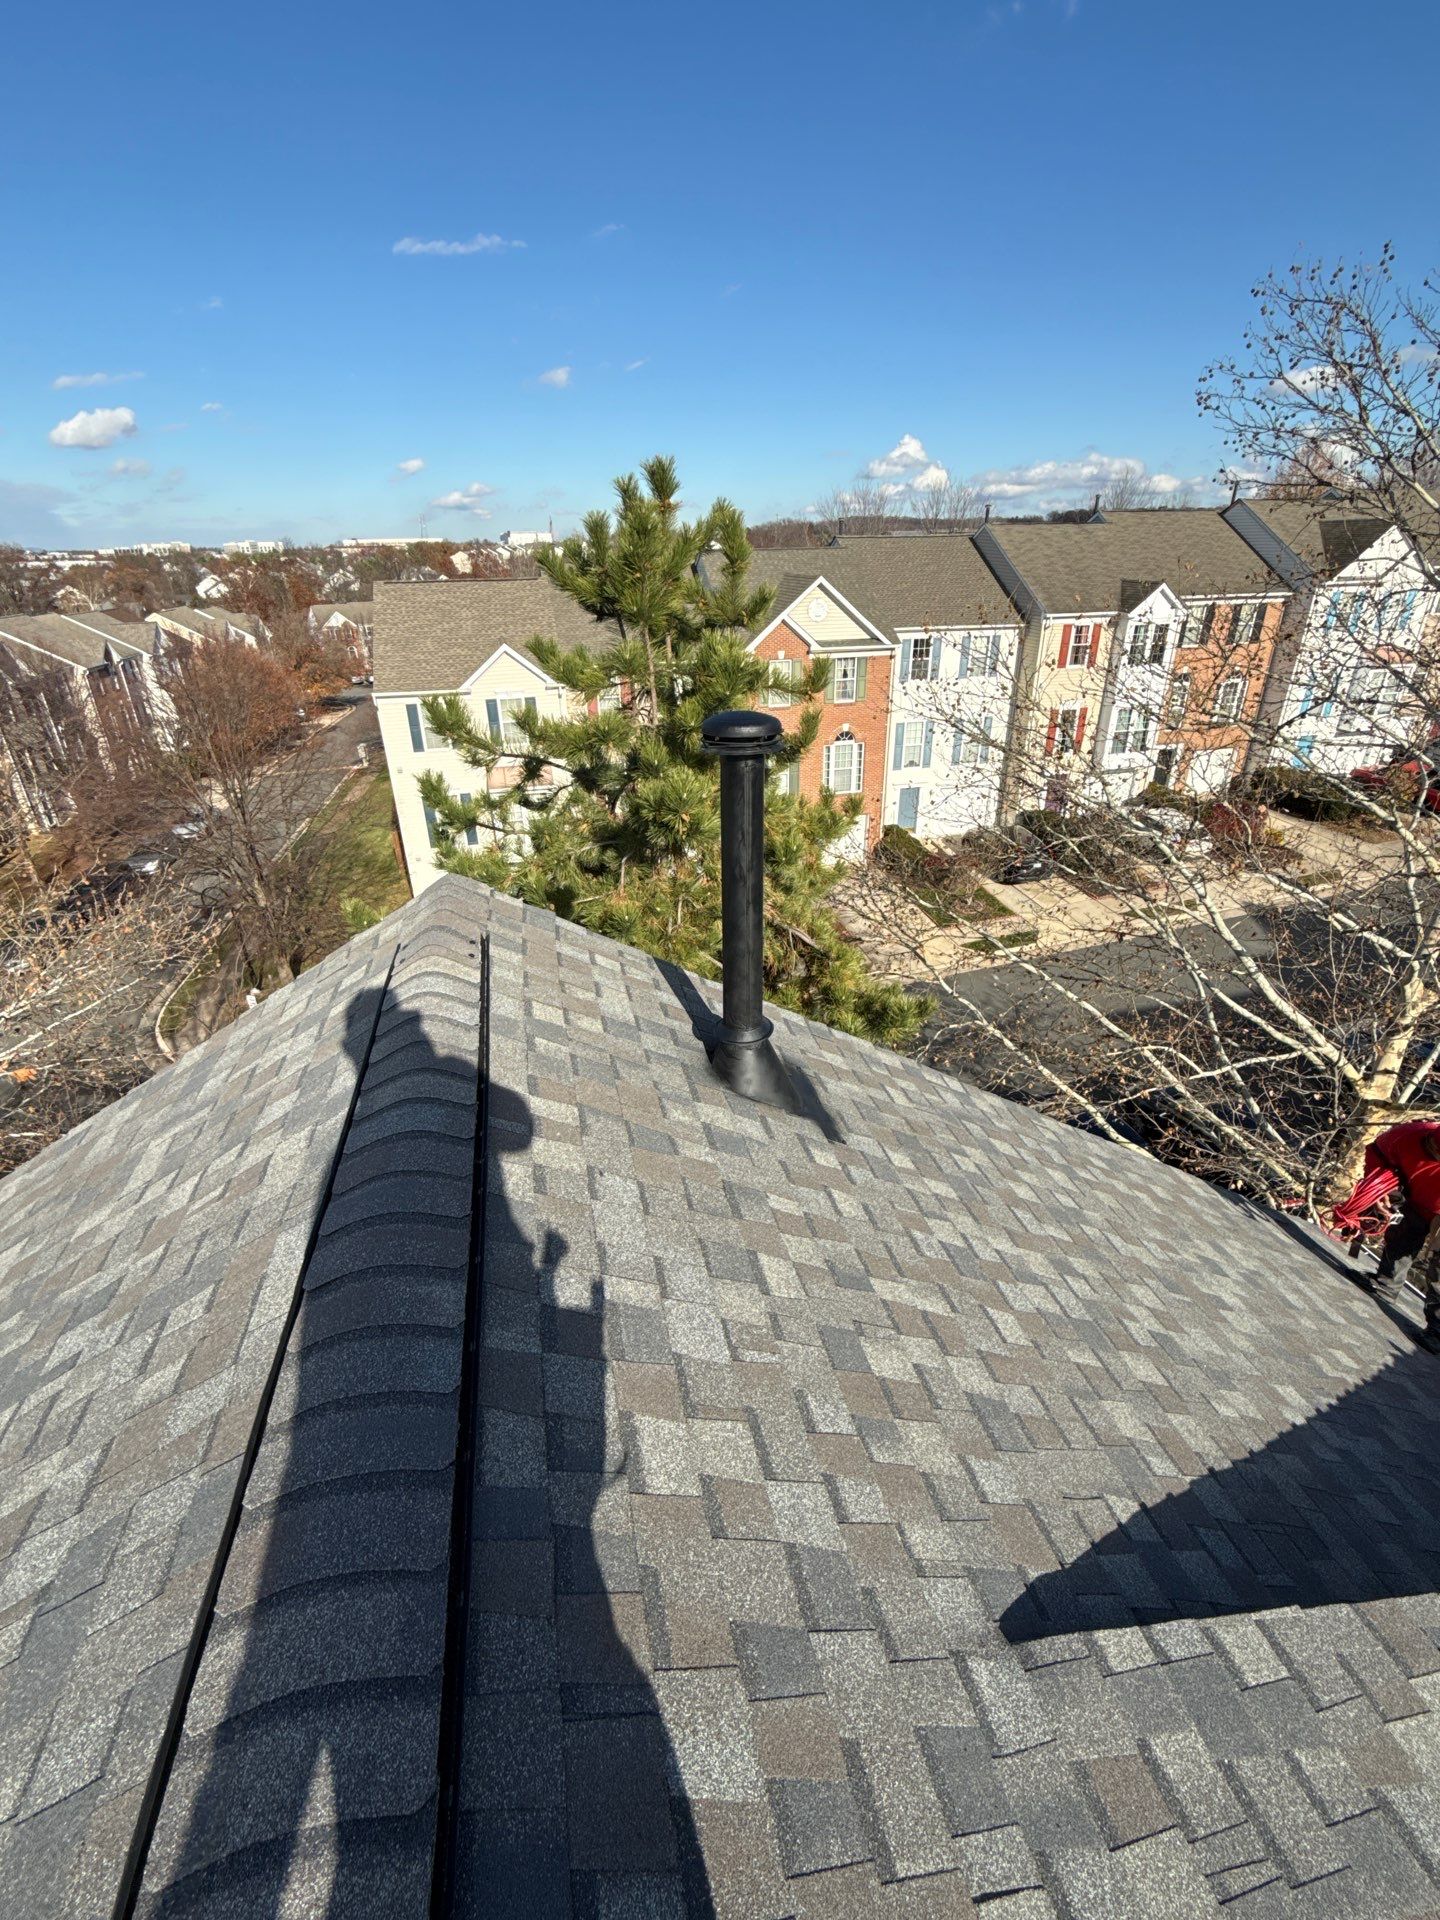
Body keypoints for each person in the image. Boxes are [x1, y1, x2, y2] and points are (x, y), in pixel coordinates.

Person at [1362, 1117, 1440, 1296]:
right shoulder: (1407, 1135)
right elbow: (1377, 1153)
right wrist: (1379, 1191)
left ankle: (1437, 1323)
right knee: (1404, 1233)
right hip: (1415, 1195)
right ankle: (1386, 1284)